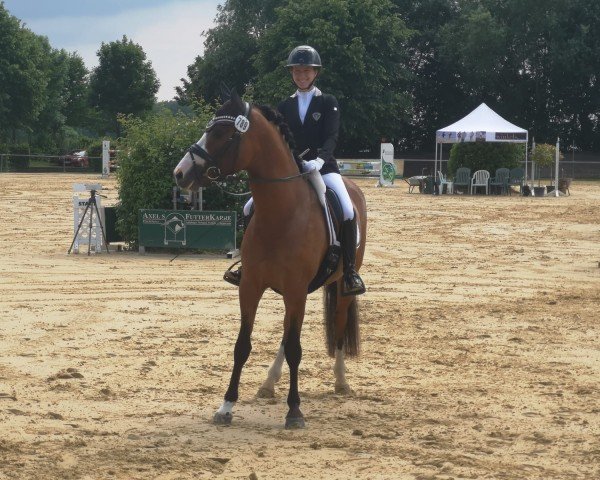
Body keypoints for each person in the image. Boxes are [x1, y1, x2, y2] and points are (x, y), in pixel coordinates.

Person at [224, 45, 365, 296]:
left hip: (323, 168)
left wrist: (320, 161)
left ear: (315, 73)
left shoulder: (328, 102)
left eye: (306, 71)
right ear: (292, 73)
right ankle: (247, 264)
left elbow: (332, 137)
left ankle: (351, 271)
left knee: (346, 208)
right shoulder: (284, 106)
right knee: (249, 207)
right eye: (297, 72)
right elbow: (280, 142)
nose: (301, 76)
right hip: (292, 171)